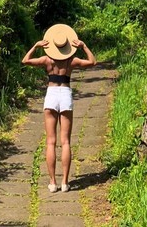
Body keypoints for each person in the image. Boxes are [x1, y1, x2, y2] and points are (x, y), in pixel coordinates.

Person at [22, 23, 97, 193]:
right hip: (65, 94)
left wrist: (36, 46)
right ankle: (64, 182)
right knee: (66, 142)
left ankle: (52, 182)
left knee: (50, 141)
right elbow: (93, 62)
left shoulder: (47, 60)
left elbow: (25, 60)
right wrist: (84, 46)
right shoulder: (72, 60)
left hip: (51, 94)